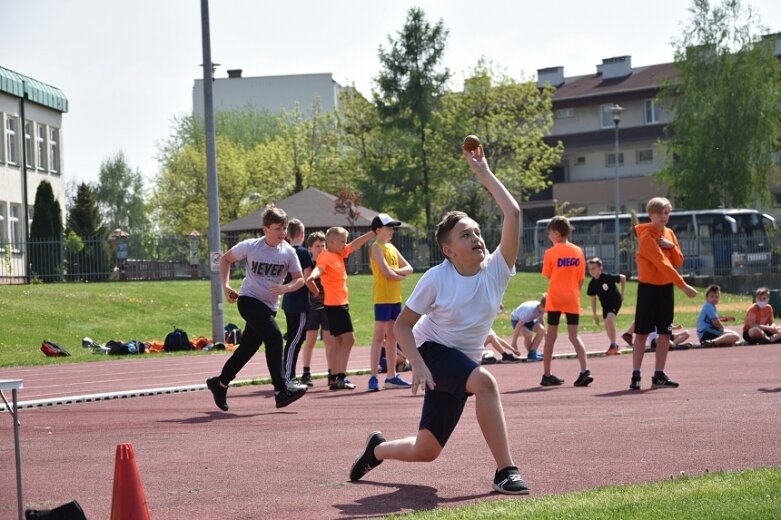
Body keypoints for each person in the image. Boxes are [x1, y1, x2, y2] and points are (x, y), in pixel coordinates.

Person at [349, 142, 529, 495]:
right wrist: (415, 363)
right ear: (448, 250)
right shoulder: (437, 277)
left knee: (426, 450)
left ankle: (377, 448)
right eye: (466, 234)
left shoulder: (497, 269)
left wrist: (483, 173)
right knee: (486, 383)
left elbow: (514, 214)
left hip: (462, 362)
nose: (477, 237)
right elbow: (402, 324)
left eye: (477, 231)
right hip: (432, 350)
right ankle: (505, 471)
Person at [206, 206, 308, 411]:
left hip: (269, 307)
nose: (282, 233)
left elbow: (300, 279)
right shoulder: (251, 246)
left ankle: (220, 383)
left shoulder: (288, 252)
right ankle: (281, 390)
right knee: (275, 337)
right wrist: (225, 286)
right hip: (249, 300)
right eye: (278, 228)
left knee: (247, 349)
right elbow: (226, 259)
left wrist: (284, 288)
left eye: (285, 228)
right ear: (265, 229)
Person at [630, 197, 698, 390]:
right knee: (642, 333)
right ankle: (636, 374)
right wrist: (683, 286)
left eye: (666, 213)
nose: (663, 216)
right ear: (651, 214)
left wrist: (672, 246)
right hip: (648, 289)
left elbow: (678, 261)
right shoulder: (646, 237)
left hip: (665, 289)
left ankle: (659, 374)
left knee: (665, 333)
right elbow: (662, 263)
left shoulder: (669, 233)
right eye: (659, 213)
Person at [306, 225, 376, 390]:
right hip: (335, 306)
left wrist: (373, 232)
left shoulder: (339, 253)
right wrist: (312, 278)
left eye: (345, 241)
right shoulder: (326, 256)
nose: (345, 244)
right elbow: (318, 269)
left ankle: (336, 378)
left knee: (338, 342)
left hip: (340, 305)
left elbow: (356, 244)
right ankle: (341, 377)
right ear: (331, 242)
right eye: (342, 241)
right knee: (350, 340)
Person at [539, 216, 592, 387]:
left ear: (556, 233)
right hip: (572, 298)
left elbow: (548, 274)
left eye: (549, 233)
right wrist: (575, 292)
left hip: (555, 298)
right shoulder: (578, 251)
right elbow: (581, 277)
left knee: (551, 337)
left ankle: (547, 373)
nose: (549, 237)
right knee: (574, 336)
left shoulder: (550, 253)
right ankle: (585, 370)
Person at [368, 213, 414, 392]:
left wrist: (396, 274)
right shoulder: (376, 247)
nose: (391, 230)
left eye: (392, 228)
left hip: (396, 298)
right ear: (378, 230)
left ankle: (391, 376)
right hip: (382, 298)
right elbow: (386, 273)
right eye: (388, 227)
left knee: (393, 337)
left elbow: (409, 268)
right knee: (380, 337)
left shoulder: (392, 248)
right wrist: (398, 274)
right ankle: (373, 377)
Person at [282, 219, 317, 386]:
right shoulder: (302, 253)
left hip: (288, 299)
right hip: (300, 301)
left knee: (293, 338)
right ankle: (288, 375)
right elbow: (307, 277)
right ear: (302, 234)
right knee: (295, 340)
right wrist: (316, 292)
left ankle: (288, 374)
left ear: (288, 235)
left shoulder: (284, 250)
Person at [299, 232, 331, 387]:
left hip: (327, 307)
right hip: (312, 308)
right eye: (317, 246)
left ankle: (332, 372)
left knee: (329, 341)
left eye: (323, 245)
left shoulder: (328, 263)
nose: (321, 249)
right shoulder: (308, 265)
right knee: (310, 340)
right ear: (310, 248)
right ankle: (306, 372)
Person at [586, 257, 626, 356]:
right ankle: (614, 344)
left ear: (600, 268)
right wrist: (595, 314)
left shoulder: (607, 277)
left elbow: (623, 278)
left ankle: (613, 345)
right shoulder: (592, 284)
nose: (591, 271)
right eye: (590, 269)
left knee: (609, 320)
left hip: (615, 301)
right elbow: (593, 299)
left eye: (594, 268)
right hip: (605, 305)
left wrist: (622, 293)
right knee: (607, 325)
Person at [509, 295, 546, 362]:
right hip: (516, 320)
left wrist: (544, 334)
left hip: (529, 320)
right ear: (543, 305)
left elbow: (541, 319)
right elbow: (518, 326)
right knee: (528, 334)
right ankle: (531, 354)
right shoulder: (530, 310)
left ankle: (532, 352)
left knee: (542, 330)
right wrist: (514, 343)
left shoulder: (542, 309)